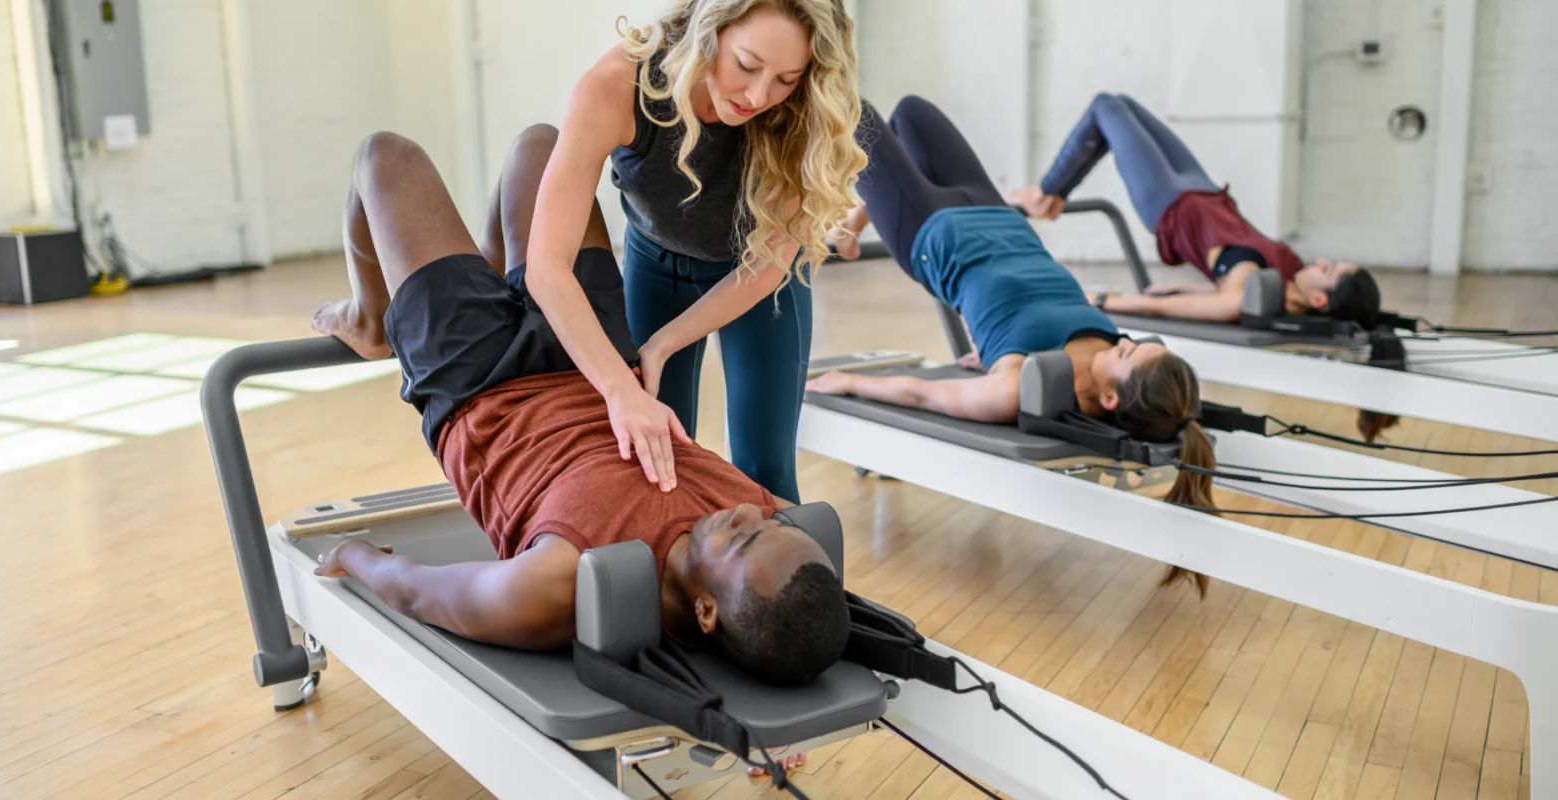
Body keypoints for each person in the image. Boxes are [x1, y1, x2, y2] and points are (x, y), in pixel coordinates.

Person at [308, 126, 851, 726]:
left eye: (744, 538)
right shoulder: (761, 525)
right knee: (544, 147)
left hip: (480, 388)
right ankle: (493, 280)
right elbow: (806, 607)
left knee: (385, 156)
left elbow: (419, 591)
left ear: (705, 613)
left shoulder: (561, 583)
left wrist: (354, 556)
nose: (752, 511)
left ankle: (368, 319)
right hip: (598, 362)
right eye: (771, 518)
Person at [816, 96, 1213, 596]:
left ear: (1110, 398)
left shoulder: (1010, 389)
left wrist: (848, 382)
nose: (1126, 341)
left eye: (1128, 353)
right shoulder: (1097, 349)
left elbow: (924, 395)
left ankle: (850, 217)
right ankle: (853, 224)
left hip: (929, 231)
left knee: (851, 108)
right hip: (996, 212)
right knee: (912, 113)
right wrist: (991, 351)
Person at [519, 0, 866, 504]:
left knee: (762, 471)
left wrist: (664, 344)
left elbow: (768, 266)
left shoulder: (802, 113)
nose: (758, 95)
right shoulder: (617, 86)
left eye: (786, 78)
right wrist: (620, 390)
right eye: (747, 65)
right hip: (653, 264)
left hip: (755, 278)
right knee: (658, 461)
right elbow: (547, 267)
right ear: (709, 29)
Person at [1012, 92, 1381, 328]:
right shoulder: (1288, 274)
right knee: (1122, 102)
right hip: (1200, 186)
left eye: (1326, 270)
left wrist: (1109, 301)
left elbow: (1182, 309)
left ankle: (1044, 195)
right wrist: (1175, 289)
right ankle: (1050, 197)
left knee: (1105, 107)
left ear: (1319, 299)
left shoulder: (1247, 294)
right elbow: (1213, 292)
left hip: (1167, 204)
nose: (1318, 261)